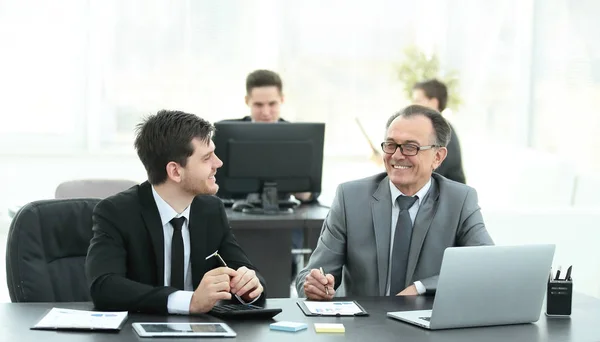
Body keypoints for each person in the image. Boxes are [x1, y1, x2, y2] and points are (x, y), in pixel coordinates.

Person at [295, 104, 493, 300]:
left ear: (438, 157)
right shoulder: (350, 197)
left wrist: (422, 287)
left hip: (427, 323)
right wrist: (315, 286)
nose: (397, 155)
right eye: (391, 145)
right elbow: (310, 275)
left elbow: (487, 266)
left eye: (410, 147)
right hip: (364, 325)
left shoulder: (459, 200)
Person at [85, 110, 265, 314]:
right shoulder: (117, 212)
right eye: (207, 158)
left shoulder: (210, 209)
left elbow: (246, 272)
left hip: (201, 332)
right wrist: (189, 302)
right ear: (175, 171)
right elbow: (104, 287)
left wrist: (249, 286)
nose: (218, 163)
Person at [412, 79, 466, 184]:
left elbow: (429, 174)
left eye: (417, 101)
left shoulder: (441, 131)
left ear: (433, 103)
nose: (412, 105)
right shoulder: (434, 129)